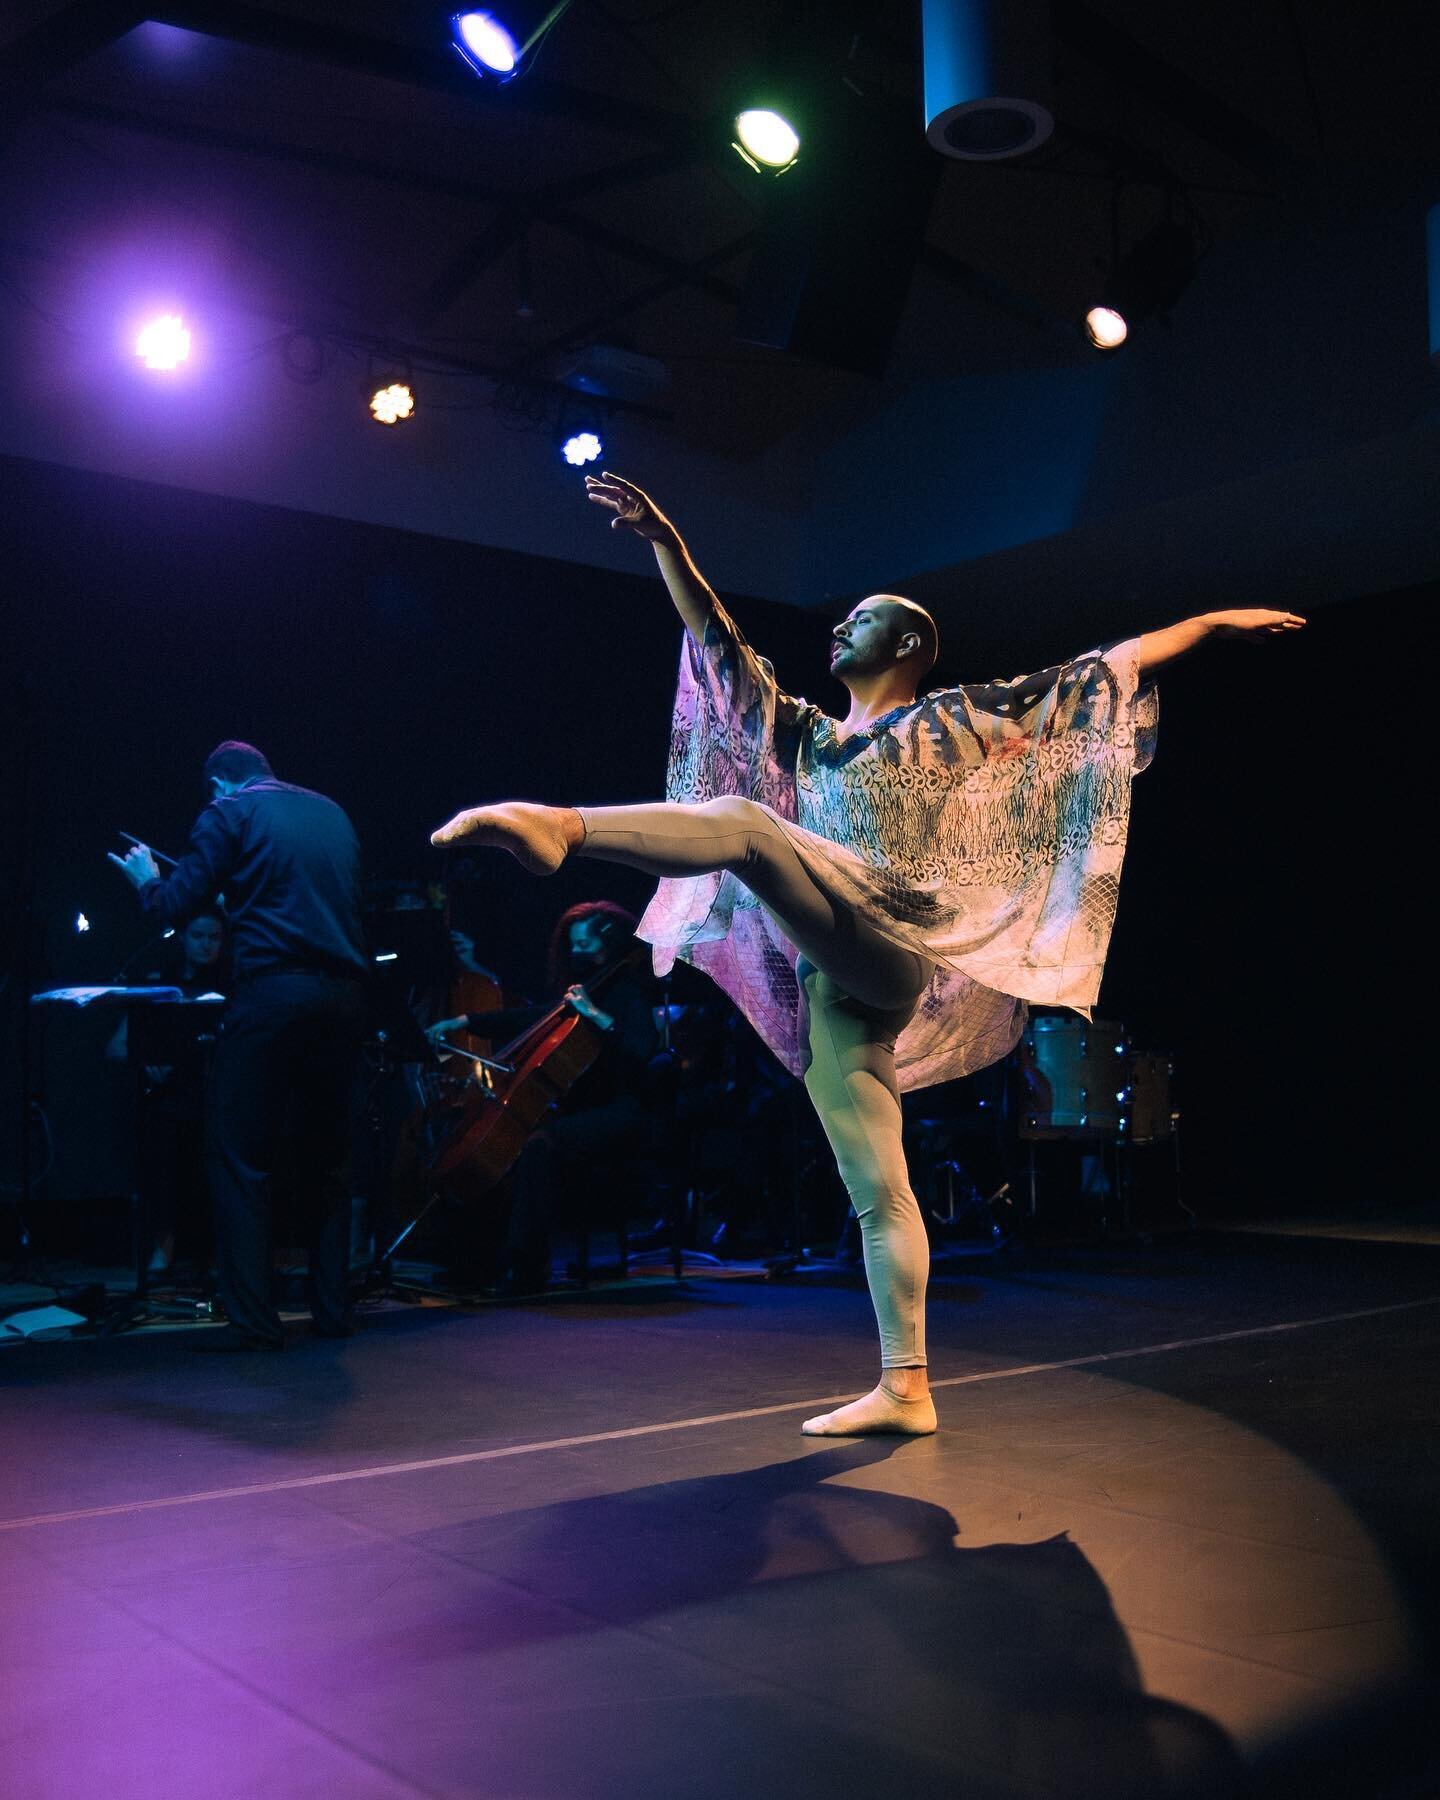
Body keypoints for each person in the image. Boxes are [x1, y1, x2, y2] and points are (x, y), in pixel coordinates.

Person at [431, 473, 1305, 1433]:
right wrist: (668, 543)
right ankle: (907, 1387)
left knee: (740, 824)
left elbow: (1097, 670)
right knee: (880, 1195)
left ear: (911, 645)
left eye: (863, 618)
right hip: (835, 993)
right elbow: (723, 649)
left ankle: (563, 828)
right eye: (840, 619)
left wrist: (1211, 624)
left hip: (890, 943)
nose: (840, 629)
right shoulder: (806, 740)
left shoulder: (952, 718)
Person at [110, 741, 367, 1350]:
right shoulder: (329, 811)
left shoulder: (229, 810)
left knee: (239, 1156)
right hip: (346, 999)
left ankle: (256, 1321)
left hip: (274, 993)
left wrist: (148, 881)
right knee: (328, 1161)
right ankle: (332, 1312)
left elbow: (174, 906)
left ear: (219, 783)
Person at [427, 901, 663, 1294]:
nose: (576, 953)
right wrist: (466, 1021)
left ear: (609, 940)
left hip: (625, 1112)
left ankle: (527, 1269)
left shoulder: (627, 990)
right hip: (588, 1110)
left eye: (584, 944)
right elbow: (533, 1017)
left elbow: (643, 1051)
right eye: (572, 945)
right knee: (509, 1148)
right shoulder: (590, 987)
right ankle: (474, 1264)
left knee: (538, 1145)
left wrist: (596, 1017)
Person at [106, 909, 229, 1275]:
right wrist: (146, 1060)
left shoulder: (231, 986)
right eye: (198, 936)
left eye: (214, 938)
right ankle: (164, 1246)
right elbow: (116, 1046)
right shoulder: (161, 987)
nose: (207, 945)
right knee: (164, 1148)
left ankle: (224, 1255)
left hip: (217, 1102)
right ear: (183, 938)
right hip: (171, 1103)